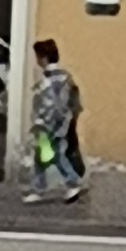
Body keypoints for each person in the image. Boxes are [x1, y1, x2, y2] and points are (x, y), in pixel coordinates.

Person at [29, 36, 85, 201]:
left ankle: (72, 182)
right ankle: (39, 188)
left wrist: (42, 123)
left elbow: (51, 104)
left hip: (51, 124)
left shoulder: (50, 79)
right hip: (62, 122)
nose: (37, 61)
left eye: (38, 57)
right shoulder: (65, 76)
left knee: (56, 155)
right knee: (41, 155)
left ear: (43, 58)